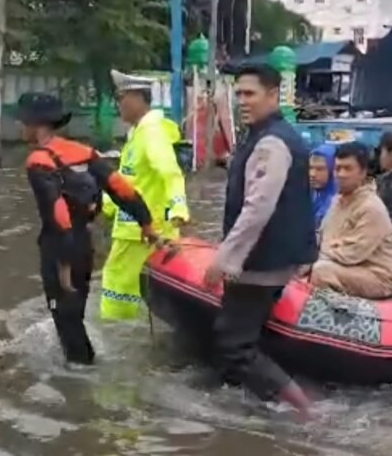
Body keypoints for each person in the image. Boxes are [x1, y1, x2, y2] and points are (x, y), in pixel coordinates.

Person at [203, 64, 317, 418]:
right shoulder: (264, 135)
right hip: (271, 256)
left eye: (250, 94)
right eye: (238, 94)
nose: (242, 101)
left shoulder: (272, 142)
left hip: (261, 261)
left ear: (272, 95)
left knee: (236, 343)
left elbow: (258, 207)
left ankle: (307, 412)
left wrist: (223, 261)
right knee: (241, 333)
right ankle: (239, 394)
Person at [18, 92, 158, 365]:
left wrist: (64, 264)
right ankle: (83, 364)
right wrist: (146, 223)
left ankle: (81, 377)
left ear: (35, 125)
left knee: (63, 316)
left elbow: (56, 213)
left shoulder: (38, 161)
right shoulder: (84, 152)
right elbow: (121, 189)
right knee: (75, 313)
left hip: (61, 249)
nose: (21, 128)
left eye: (23, 122)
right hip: (85, 243)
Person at [100, 71, 189, 321]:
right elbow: (131, 180)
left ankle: (114, 348)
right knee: (134, 292)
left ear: (139, 98)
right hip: (139, 229)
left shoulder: (151, 133)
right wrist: (104, 205)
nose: (119, 105)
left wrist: (179, 208)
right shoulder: (138, 133)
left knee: (117, 292)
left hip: (143, 231)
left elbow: (170, 172)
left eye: (122, 97)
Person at [311, 142, 392, 299]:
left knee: (321, 271)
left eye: (348, 169)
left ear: (363, 172)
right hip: (343, 266)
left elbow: (353, 253)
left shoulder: (371, 206)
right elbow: (322, 236)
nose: (341, 174)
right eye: (338, 168)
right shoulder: (337, 202)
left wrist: (316, 258)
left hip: (376, 276)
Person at [309, 143, 338, 230]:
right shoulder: (306, 195)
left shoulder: (340, 201)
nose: (312, 174)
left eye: (320, 169)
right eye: (310, 168)